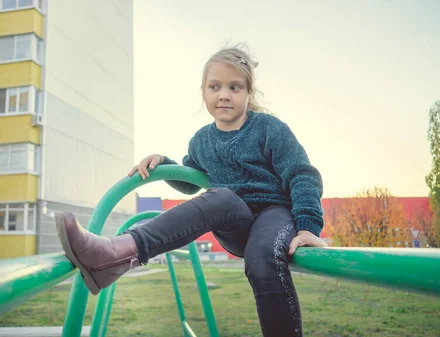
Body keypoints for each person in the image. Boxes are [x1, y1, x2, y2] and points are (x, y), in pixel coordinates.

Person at [55, 45, 328, 337]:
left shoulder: (269, 129)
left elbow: (301, 174)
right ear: (204, 92)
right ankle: (115, 254)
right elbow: (191, 180)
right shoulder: (201, 141)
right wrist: (164, 164)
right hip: (236, 221)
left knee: (262, 259)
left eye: (235, 87)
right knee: (221, 197)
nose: (224, 94)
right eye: (215, 86)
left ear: (249, 93)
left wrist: (308, 226)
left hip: (275, 216)